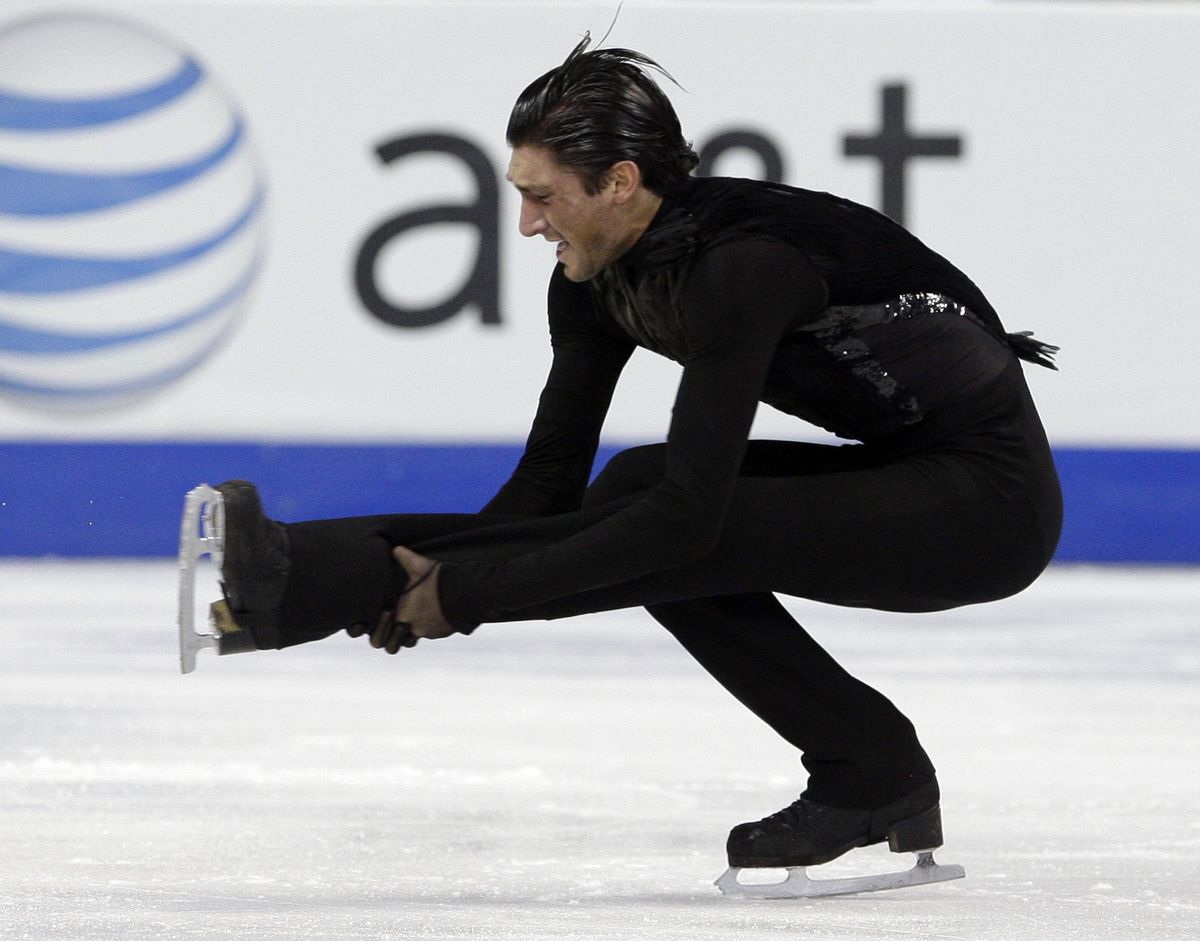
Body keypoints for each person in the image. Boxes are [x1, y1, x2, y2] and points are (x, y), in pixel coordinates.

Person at [204, 36, 1061, 878]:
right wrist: (411, 577)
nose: (526, 223)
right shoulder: (595, 278)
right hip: (898, 468)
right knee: (635, 486)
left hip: (988, 510)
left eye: (542, 197)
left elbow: (689, 518)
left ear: (620, 184)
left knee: (679, 521)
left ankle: (306, 579)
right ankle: (872, 767)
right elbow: (546, 491)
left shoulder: (741, 267)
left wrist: (460, 593)